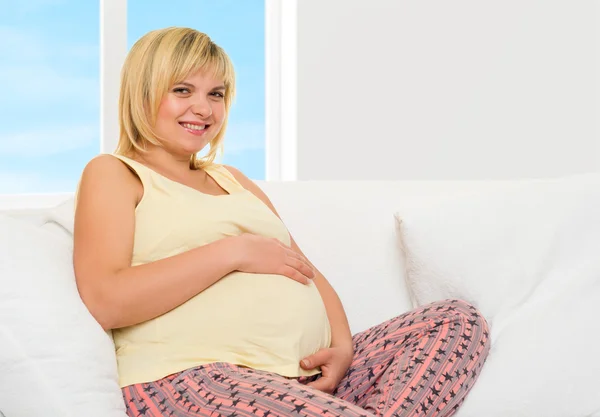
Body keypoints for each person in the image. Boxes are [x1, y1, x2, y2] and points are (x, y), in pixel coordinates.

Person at [73, 27, 490, 417]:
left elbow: (301, 267)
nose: (203, 108)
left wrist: (342, 347)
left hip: (306, 384)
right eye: (183, 90)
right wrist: (232, 252)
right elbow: (105, 299)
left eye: (216, 94)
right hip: (192, 377)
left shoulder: (232, 179)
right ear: (142, 94)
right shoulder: (116, 173)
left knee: (455, 320)